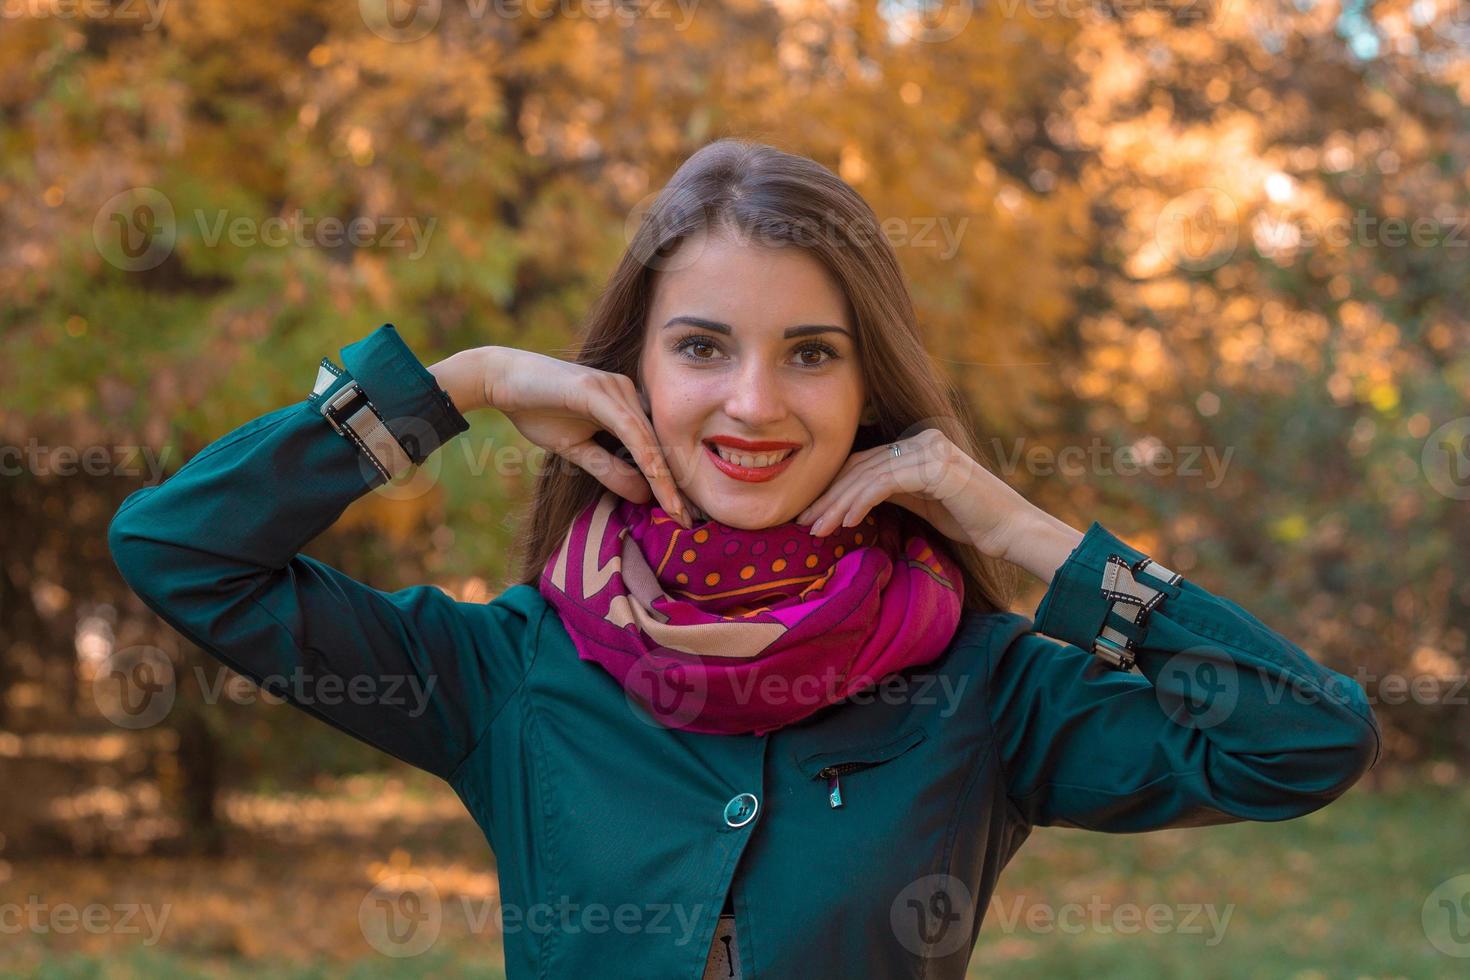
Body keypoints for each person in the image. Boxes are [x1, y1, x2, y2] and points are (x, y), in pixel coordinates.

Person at [107, 139, 1380, 979]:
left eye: (811, 352)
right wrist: (466, 381)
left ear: (867, 381)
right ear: (634, 372)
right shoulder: (511, 672)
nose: (754, 404)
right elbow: (180, 549)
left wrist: (1013, 527)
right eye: (703, 348)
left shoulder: (988, 689)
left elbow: (1302, 739)